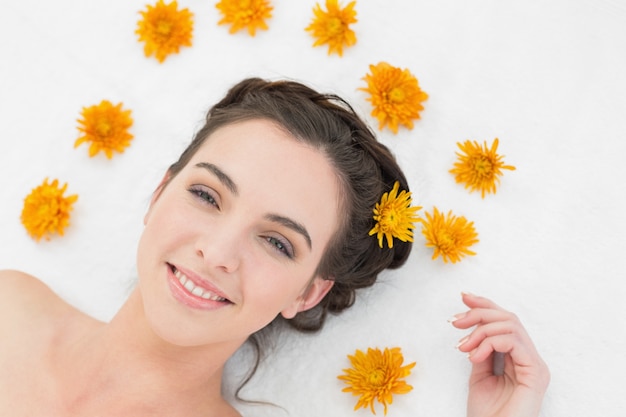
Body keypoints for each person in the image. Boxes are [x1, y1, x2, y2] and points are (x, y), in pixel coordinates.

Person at [0, 78, 549, 416]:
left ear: (308, 292)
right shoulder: (10, 306)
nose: (218, 252)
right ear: (159, 192)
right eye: (206, 195)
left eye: (276, 242)